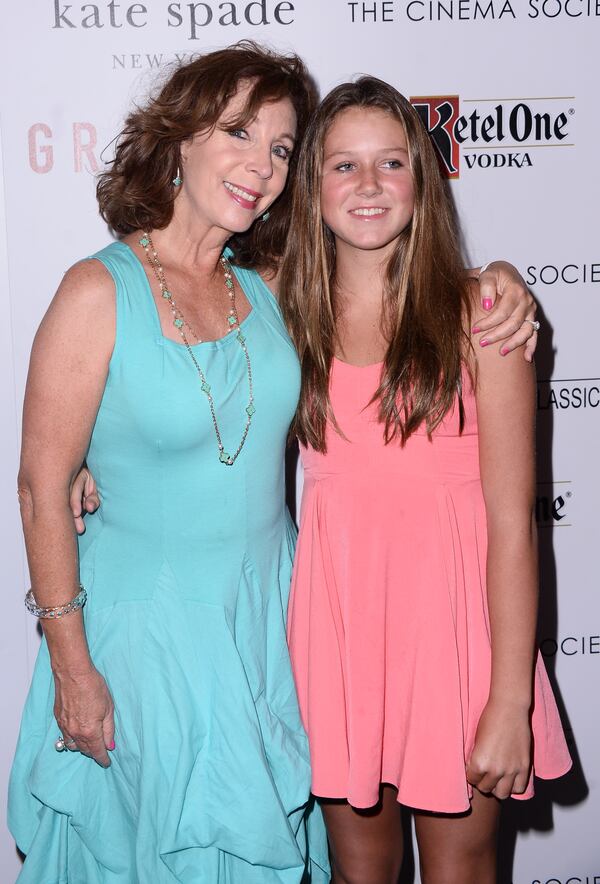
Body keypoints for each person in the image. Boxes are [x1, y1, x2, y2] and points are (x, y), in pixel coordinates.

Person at [10, 40, 537, 883]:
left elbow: (511, 515)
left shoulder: (279, 291)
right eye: (239, 133)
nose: (261, 164)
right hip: (222, 643)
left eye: (281, 148)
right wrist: (78, 471)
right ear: (181, 137)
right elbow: (53, 472)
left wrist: (505, 279)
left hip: (331, 636)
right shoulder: (169, 291)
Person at [282, 77, 571, 884]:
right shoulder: (284, 313)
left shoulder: (484, 313)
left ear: (424, 179)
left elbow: (515, 523)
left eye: (391, 162)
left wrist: (510, 700)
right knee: (357, 874)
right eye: (343, 166)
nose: (367, 185)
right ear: (312, 184)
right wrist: (93, 463)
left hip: (461, 645)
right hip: (342, 641)